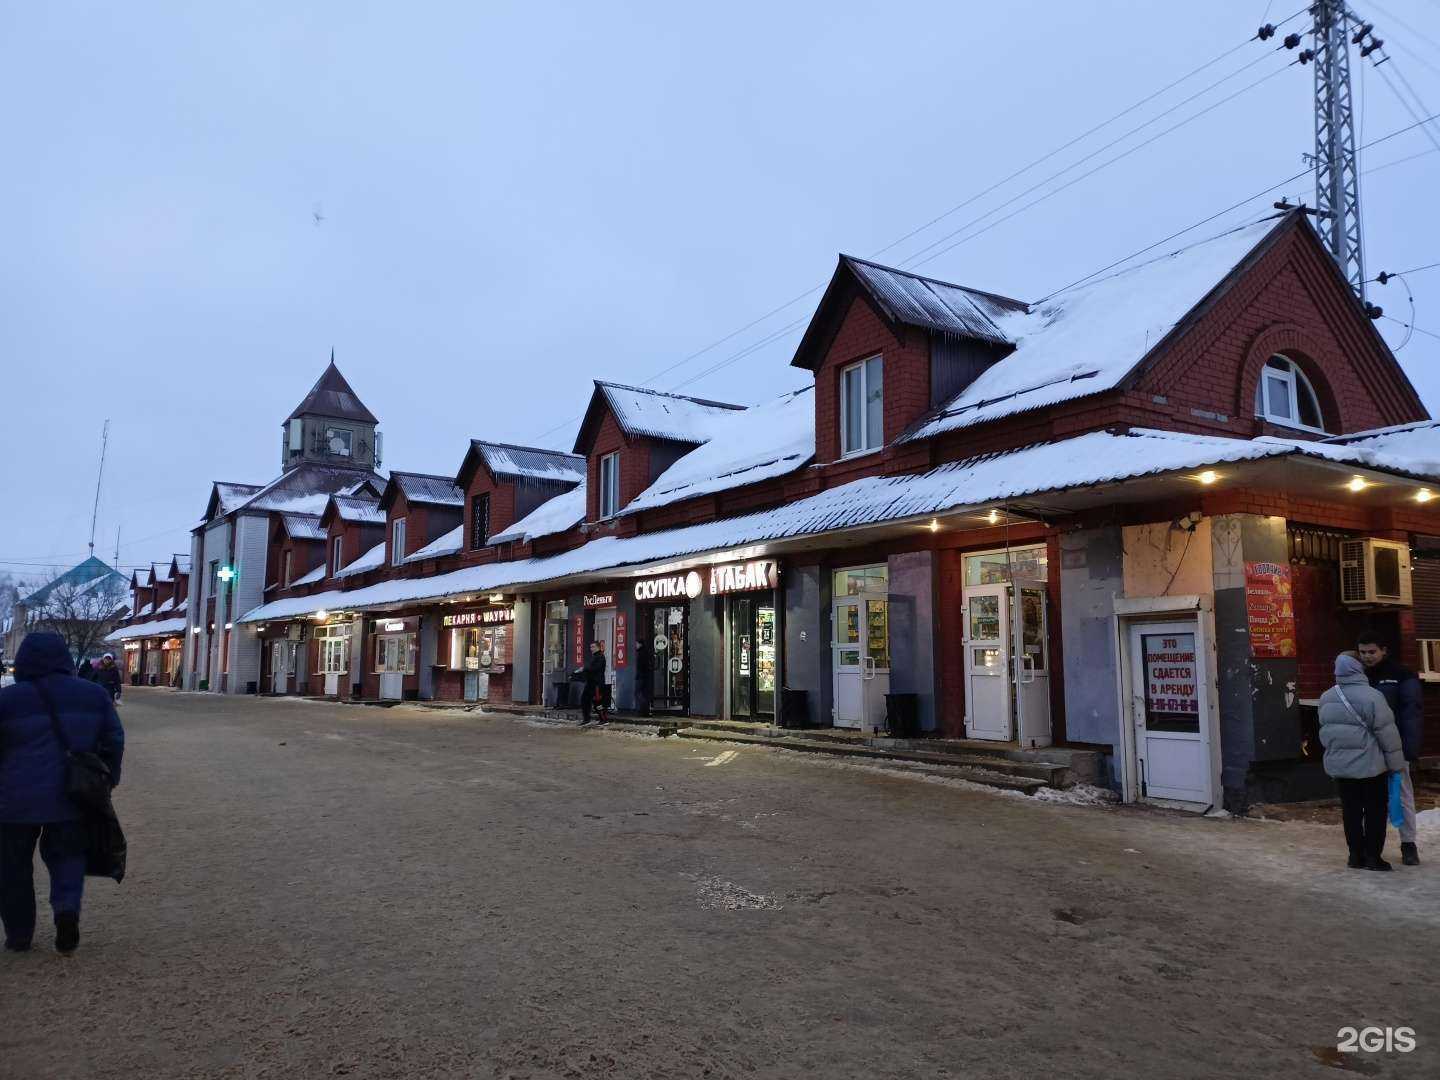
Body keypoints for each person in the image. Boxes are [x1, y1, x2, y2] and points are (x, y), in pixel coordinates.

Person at [0, 632, 124, 953]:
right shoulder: (94, 695)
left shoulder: (7, 701)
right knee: (67, 856)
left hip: (12, 799)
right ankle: (67, 912)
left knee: (12, 866)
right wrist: (108, 779)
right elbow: (114, 739)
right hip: (73, 793)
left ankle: (19, 933)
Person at [1318, 653, 1405, 871]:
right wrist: (1396, 764)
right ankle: (1374, 857)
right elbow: (1387, 734)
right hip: (1370, 766)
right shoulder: (1373, 696)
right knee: (1375, 810)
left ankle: (1355, 855)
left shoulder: (1326, 697)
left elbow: (1326, 732)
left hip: (1342, 767)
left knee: (1351, 811)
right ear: (1358, 668)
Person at [1357, 631, 1424, 866]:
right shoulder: (1359, 676)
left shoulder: (1401, 674)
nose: (1367, 657)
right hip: (1368, 747)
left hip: (1396, 747)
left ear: (1384, 650)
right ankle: (1372, 848)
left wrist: (1409, 749)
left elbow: (1411, 713)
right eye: (1363, 652)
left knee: (1401, 794)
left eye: (1372, 652)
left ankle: (1409, 844)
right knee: (1370, 798)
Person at [576, 640, 608, 725]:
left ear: (598, 647)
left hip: (597, 683)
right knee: (584, 700)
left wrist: (584, 669)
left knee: (598, 702)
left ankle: (603, 719)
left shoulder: (600, 657)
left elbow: (595, 668)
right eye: (591, 647)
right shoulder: (594, 657)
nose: (591, 649)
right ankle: (586, 719)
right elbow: (589, 668)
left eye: (593, 647)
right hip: (590, 682)